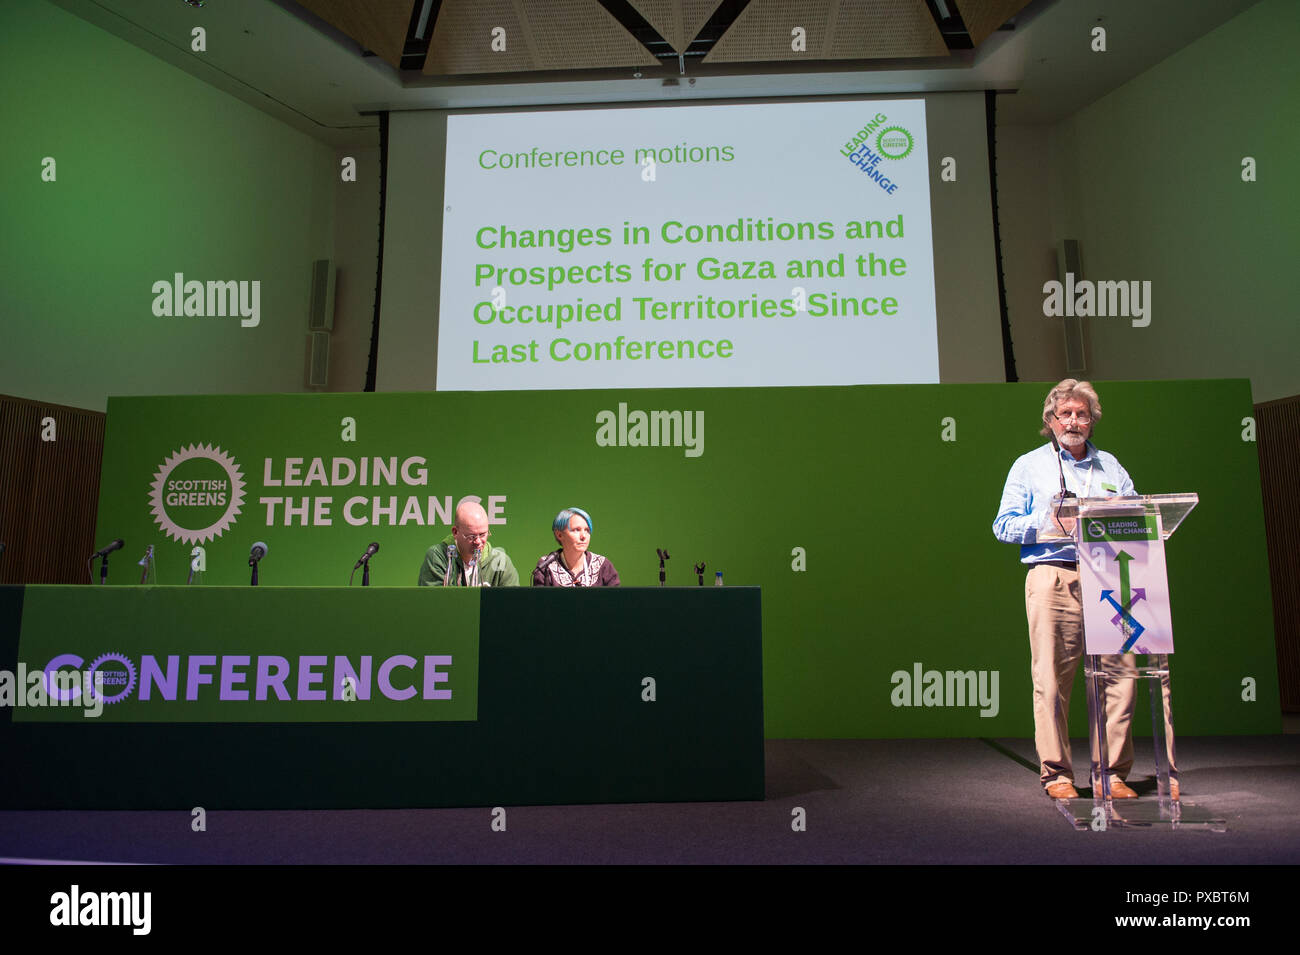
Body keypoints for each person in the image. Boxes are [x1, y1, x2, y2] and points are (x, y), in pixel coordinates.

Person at [993, 379, 1177, 801]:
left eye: (1082, 414)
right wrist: (1048, 524)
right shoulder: (1028, 466)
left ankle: (1111, 774)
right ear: (1050, 420)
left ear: (1092, 421)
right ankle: (1057, 774)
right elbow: (1002, 526)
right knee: (1052, 681)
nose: (1073, 421)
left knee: (1121, 676)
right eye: (1066, 414)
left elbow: (1138, 514)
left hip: (1114, 577)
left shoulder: (1111, 467)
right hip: (1054, 575)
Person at [417, 500, 519, 587]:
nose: (478, 542)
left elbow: (513, 604)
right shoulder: (438, 557)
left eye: (483, 534)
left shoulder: (500, 562)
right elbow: (433, 603)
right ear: (455, 532)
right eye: (471, 537)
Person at [531, 507, 620, 587]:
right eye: (576, 530)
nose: (583, 536)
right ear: (559, 535)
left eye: (587, 530)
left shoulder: (603, 565)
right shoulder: (546, 565)